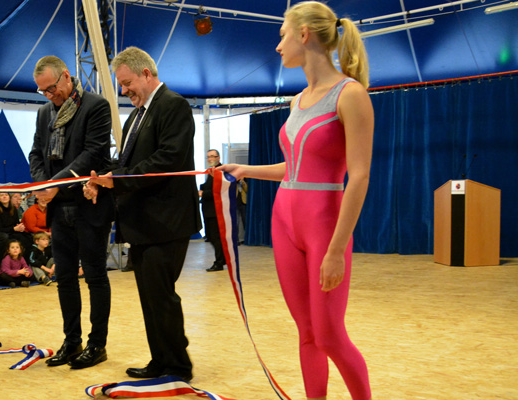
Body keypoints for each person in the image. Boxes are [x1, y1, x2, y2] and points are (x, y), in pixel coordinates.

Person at [219, 3, 373, 399]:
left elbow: (359, 176)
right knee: (306, 333)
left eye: (282, 35)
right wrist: (246, 169)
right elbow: (295, 168)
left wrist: (337, 248)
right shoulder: (298, 99)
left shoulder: (351, 95)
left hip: (325, 224)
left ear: (304, 35)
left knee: (330, 335)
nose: (278, 46)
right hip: (284, 221)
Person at [86, 46, 201, 381]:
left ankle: (178, 366)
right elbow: (127, 164)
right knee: (151, 297)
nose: (124, 90)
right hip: (143, 223)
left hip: (166, 223)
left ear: (146, 74)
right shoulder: (138, 113)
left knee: (161, 296)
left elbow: (168, 159)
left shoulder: (173, 105)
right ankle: (161, 360)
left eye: (127, 83)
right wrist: (100, 177)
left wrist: (117, 179)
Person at [29, 55, 115, 370]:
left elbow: (93, 152)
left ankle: (97, 345)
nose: (51, 96)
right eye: (44, 92)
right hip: (58, 208)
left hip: (89, 206)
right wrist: (42, 185)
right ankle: (72, 341)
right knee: (64, 278)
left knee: (94, 276)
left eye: (52, 88)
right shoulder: (43, 113)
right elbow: (36, 152)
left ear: (67, 77)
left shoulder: (96, 106)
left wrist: (53, 183)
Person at [200, 149, 226, 272]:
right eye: (208, 157)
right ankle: (222, 259)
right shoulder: (211, 171)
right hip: (210, 210)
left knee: (216, 237)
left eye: (213, 156)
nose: (210, 159)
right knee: (212, 236)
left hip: (215, 210)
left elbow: (219, 190)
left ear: (218, 158)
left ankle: (219, 262)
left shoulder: (220, 171)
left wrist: (203, 193)